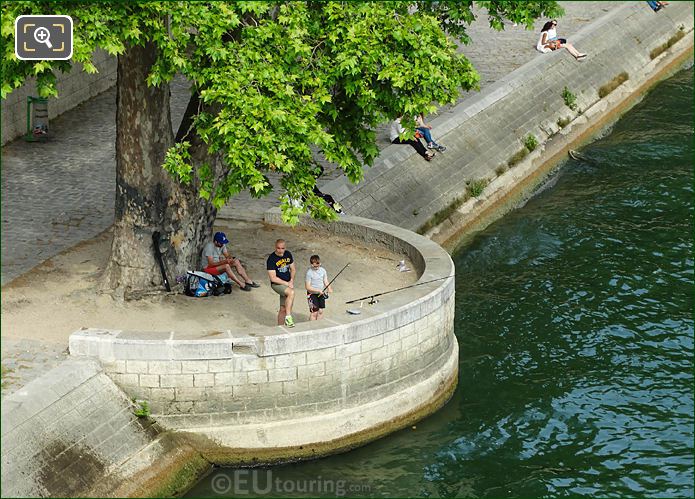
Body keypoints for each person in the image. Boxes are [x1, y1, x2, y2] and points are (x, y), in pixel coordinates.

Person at [267, 239, 296, 327]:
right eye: (278, 248)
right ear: (275, 247)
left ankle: (279, 327)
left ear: (285, 248)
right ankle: (288, 317)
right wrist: (287, 284)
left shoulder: (288, 254)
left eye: (282, 248)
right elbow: (273, 278)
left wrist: (291, 280)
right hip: (277, 284)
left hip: (287, 282)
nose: (280, 250)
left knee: (283, 308)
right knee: (291, 293)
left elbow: (293, 269)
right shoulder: (271, 259)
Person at [305, 255, 333, 321]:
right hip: (312, 294)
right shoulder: (309, 273)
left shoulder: (323, 270)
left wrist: (329, 287)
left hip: (321, 293)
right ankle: (312, 327)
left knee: (320, 311)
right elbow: (307, 287)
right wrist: (318, 290)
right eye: (314, 266)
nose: (316, 268)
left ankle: (319, 326)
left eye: (318, 266)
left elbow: (325, 281)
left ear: (320, 263)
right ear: (311, 264)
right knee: (314, 312)